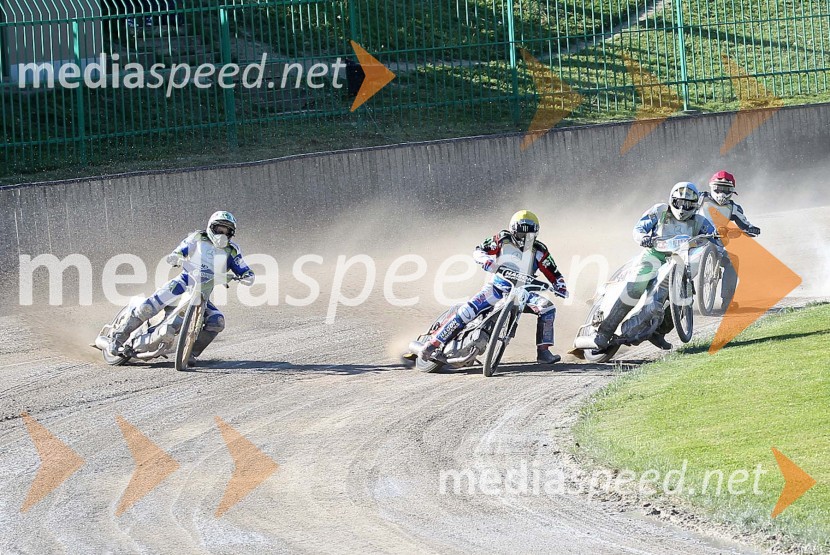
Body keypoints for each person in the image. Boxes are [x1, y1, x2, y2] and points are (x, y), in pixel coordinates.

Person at [417, 210, 569, 364]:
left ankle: (543, 352)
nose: (525, 239)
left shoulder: (541, 250)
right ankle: (432, 344)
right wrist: (487, 261)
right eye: (522, 234)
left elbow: (555, 273)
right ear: (513, 230)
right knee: (467, 310)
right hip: (497, 287)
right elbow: (478, 251)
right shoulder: (502, 239)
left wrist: (560, 286)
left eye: (530, 235)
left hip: (524, 292)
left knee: (547, 308)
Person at [108, 211, 255, 363]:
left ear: (232, 233)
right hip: (182, 283)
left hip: (202, 294)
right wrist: (176, 256)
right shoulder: (198, 237)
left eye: (227, 231)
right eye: (219, 229)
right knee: (147, 308)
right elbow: (181, 249)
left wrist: (248, 276)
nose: (222, 235)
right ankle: (117, 338)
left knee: (217, 321)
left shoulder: (232, 250)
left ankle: (190, 352)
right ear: (211, 227)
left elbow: (242, 267)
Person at [593, 182, 716, 351]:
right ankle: (604, 332)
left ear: (695, 206)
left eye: (687, 204)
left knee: (684, 297)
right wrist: (643, 237)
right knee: (635, 288)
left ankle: (657, 333)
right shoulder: (659, 211)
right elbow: (639, 228)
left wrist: (719, 239)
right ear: (672, 200)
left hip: (681, 261)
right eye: (679, 203)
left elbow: (716, 237)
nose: (682, 208)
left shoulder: (700, 221)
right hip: (653, 256)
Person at [698, 171, 761, 310]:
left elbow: (746, 224)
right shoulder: (699, 199)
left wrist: (752, 229)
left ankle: (727, 301)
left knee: (733, 261)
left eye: (726, 189)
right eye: (718, 188)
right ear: (711, 187)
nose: (721, 193)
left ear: (732, 191)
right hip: (695, 241)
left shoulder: (734, 208)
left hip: (718, 244)